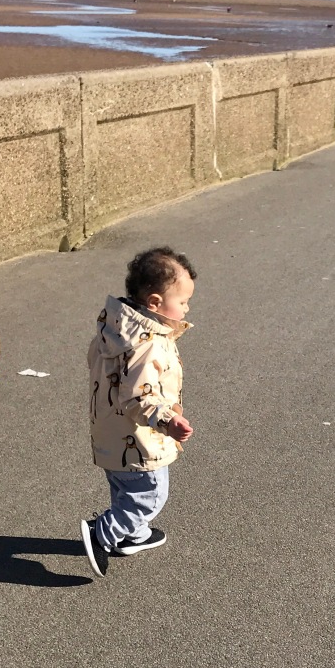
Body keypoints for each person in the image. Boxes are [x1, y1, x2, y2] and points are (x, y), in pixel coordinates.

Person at [81, 247, 196, 578]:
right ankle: (103, 533)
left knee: (125, 488)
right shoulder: (148, 343)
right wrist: (167, 420)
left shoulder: (115, 330)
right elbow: (139, 397)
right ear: (155, 302)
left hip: (109, 432)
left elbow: (97, 366)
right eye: (183, 301)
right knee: (149, 496)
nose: (187, 308)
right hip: (139, 438)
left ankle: (135, 535)